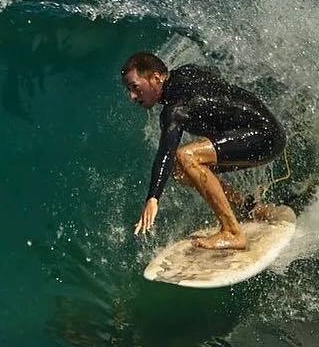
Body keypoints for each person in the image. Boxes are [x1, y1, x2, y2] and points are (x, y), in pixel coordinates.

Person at [121, 51, 286, 250]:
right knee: (180, 171)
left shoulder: (175, 109)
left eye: (135, 87)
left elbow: (166, 152)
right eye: (129, 90)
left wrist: (153, 198)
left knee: (186, 155)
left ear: (156, 78)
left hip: (265, 136)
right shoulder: (187, 72)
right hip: (265, 132)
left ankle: (232, 232)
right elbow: (213, 74)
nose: (132, 96)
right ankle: (249, 208)